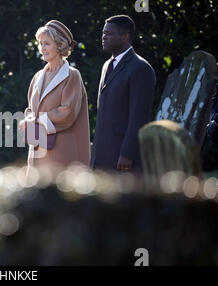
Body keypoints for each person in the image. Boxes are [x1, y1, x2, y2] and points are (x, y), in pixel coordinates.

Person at [19, 20, 90, 173]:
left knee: (57, 193)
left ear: (59, 45)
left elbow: (67, 112)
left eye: (47, 43)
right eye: (40, 43)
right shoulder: (38, 76)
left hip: (61, 150)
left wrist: (39, 120)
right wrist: (28, 119)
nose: (42, 48)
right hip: (37, 149)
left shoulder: (72, 75)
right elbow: (30, 109)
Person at [90, 15, 156, 173]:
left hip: (122, 157)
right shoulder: (106, 65)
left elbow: (139, 117)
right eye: (103, 33)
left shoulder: (140, 68)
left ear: (125, 36)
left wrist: (128, 153)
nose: (104, 37)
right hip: (101, 156)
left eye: (109, 34)